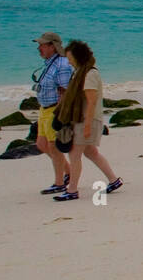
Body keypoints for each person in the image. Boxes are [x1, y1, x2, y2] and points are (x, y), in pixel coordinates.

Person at [51, 40, 122, 202]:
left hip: (87, 120)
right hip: (81, 120)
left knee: (74, 154)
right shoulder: (79, 72)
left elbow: (91, 101)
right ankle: (114, 180)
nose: (68, 61)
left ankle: (72, 190)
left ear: (78, 56)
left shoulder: (90, 74)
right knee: (90, 152)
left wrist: (87, 126)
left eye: (70, 58)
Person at [31, 32, 74, 195]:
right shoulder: (49, 63)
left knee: (53, 147)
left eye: (42, 45)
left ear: (52, 46)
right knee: (41, 145)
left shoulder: (62, 64)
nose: (39, 48)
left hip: (54, 109)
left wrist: (61, 115)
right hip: (44, 108)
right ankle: (68, 173)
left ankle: (59, 182)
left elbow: (66, 90)